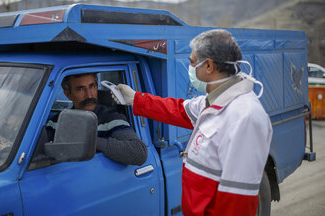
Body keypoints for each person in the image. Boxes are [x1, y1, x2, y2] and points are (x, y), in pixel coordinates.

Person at [114, 29, 273, 215]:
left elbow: (236, 200)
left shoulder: (245, 117)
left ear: (208, 66)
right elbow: (178, 110)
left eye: (192, 62)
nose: (190, 68)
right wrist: (135, 99)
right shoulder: (213, 100)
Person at [46, 73, 147, 166]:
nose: (89, 95)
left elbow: (139, 153)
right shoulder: (56, 122)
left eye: (92, 86)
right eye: (80, 89)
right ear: (68, 94)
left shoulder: (111, 118)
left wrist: (89, 141)